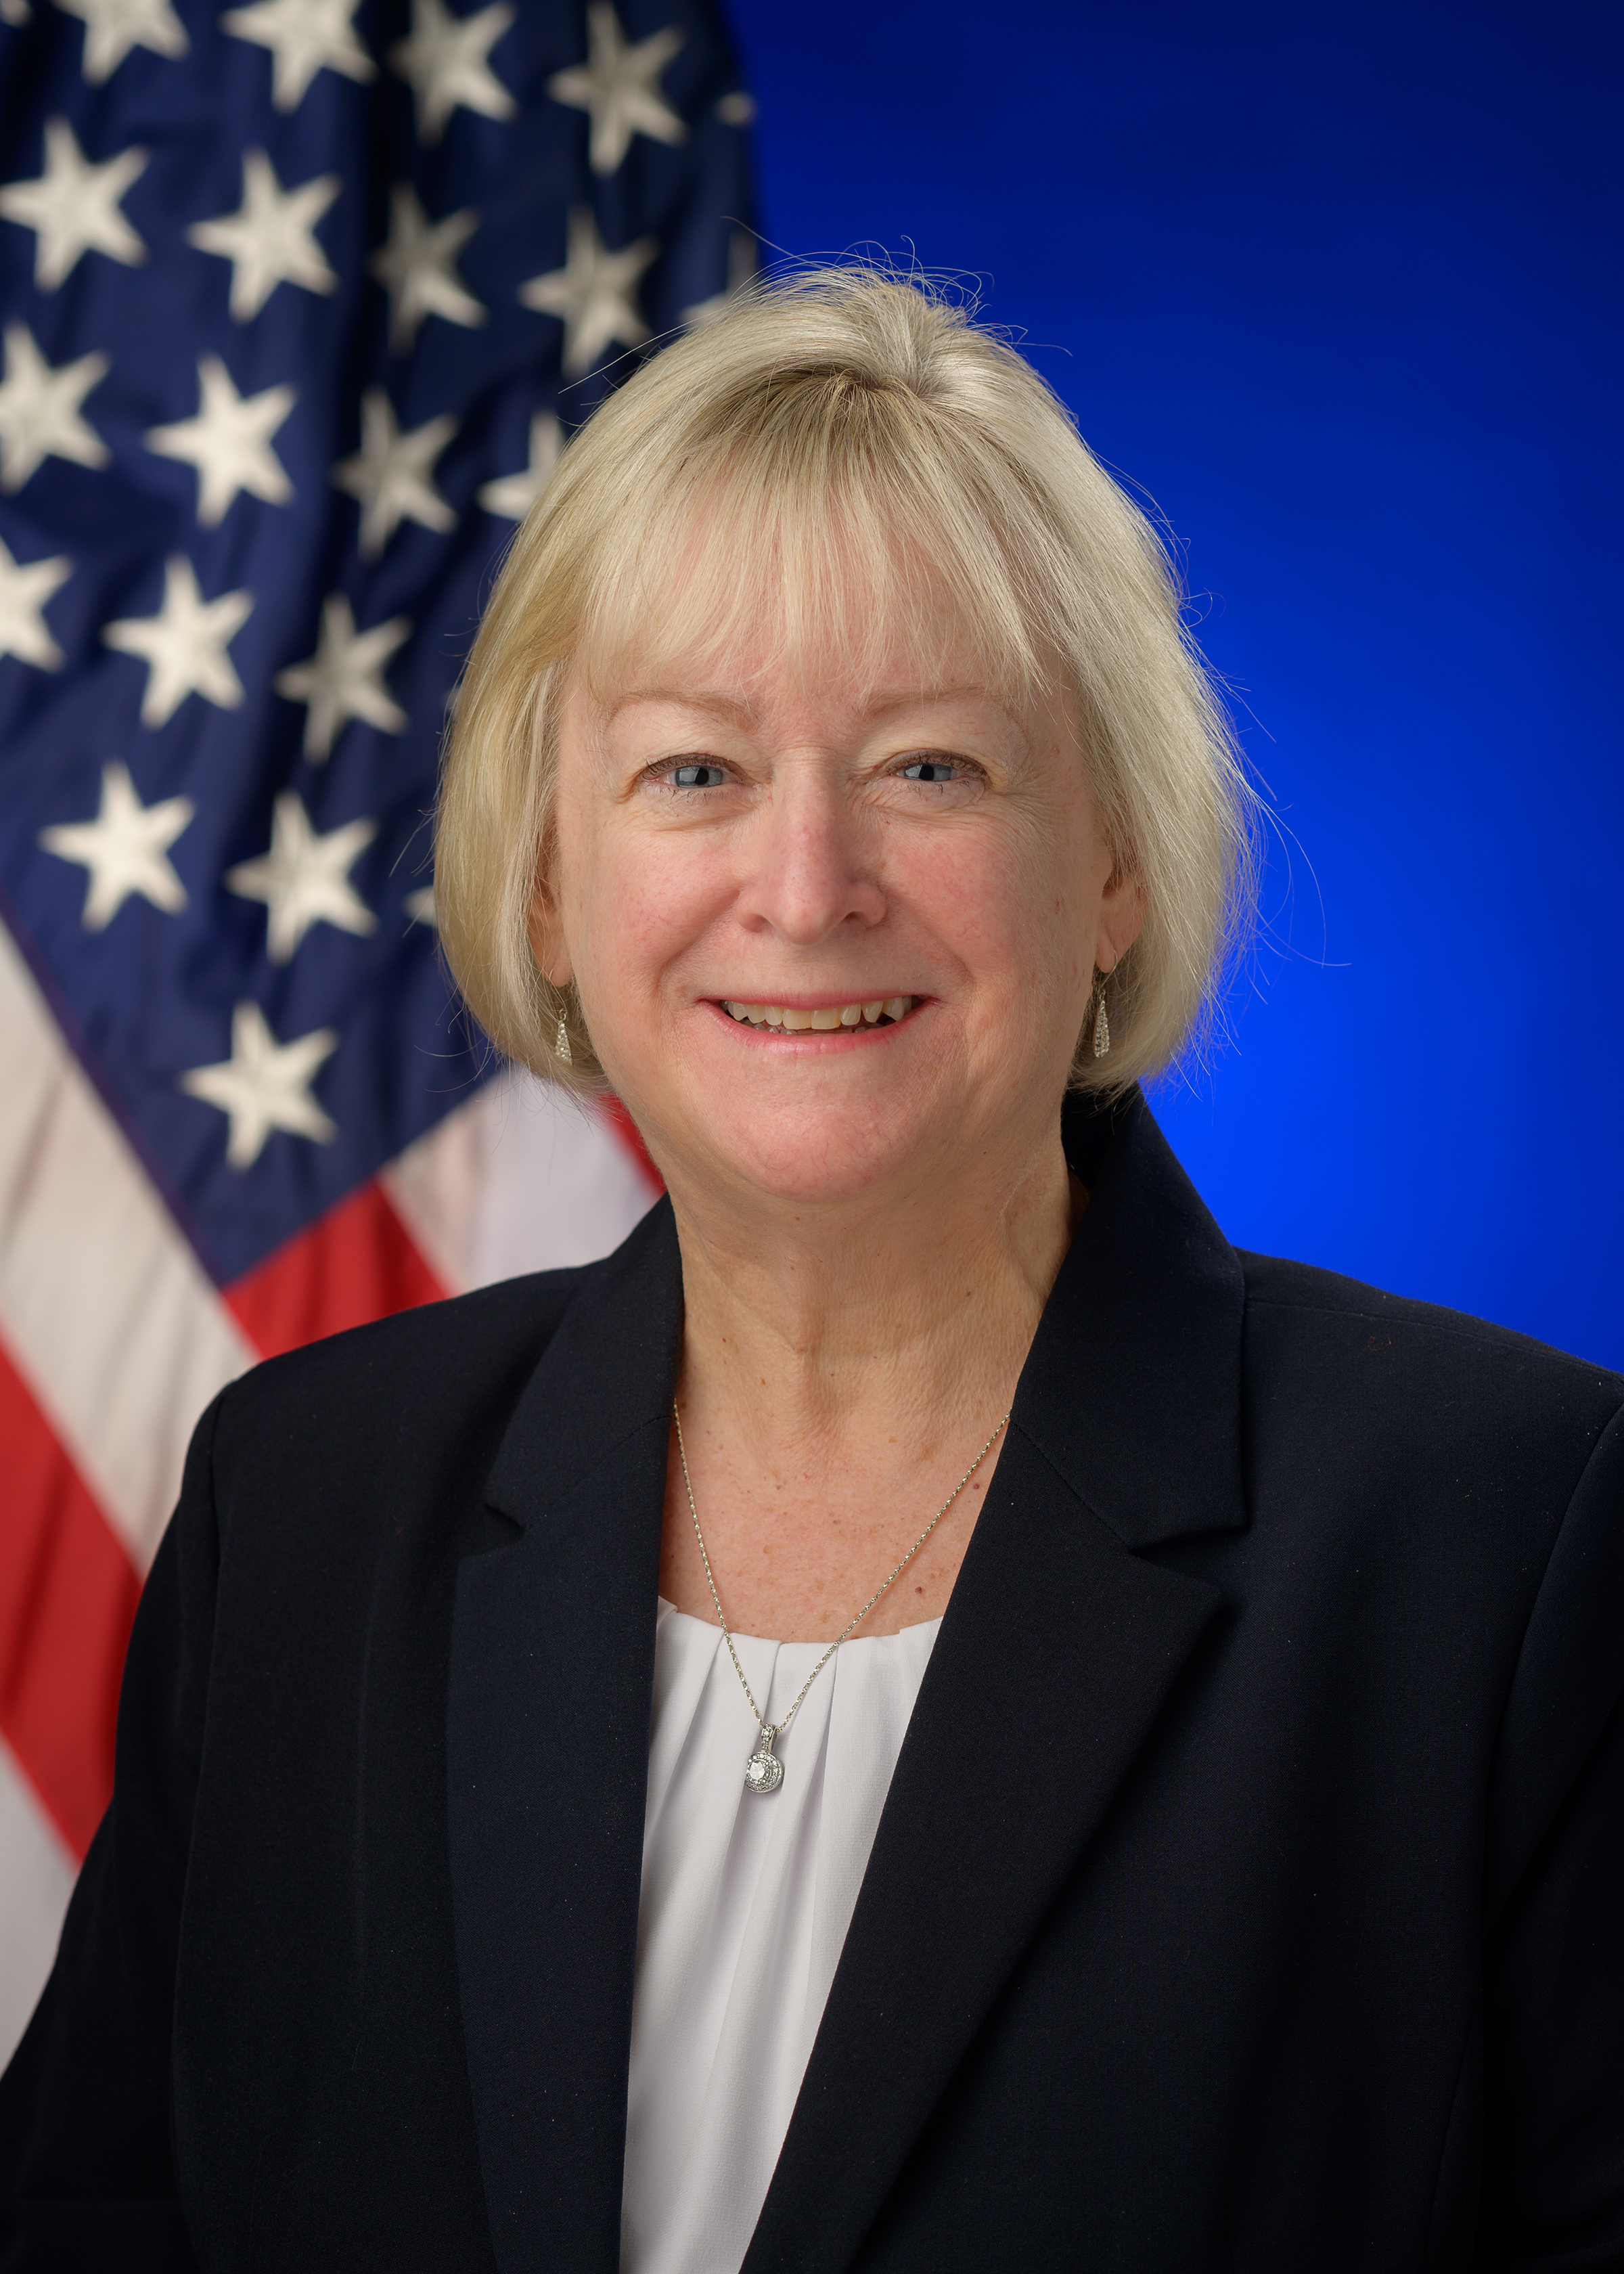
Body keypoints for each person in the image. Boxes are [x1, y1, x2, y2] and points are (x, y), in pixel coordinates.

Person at [2, 266, 1621, 2274]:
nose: (806, 885)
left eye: (931, 767)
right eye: (695, 770)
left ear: (1112, 858)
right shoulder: (308, 1506)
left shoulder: (1512, 1538)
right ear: (548, 878)